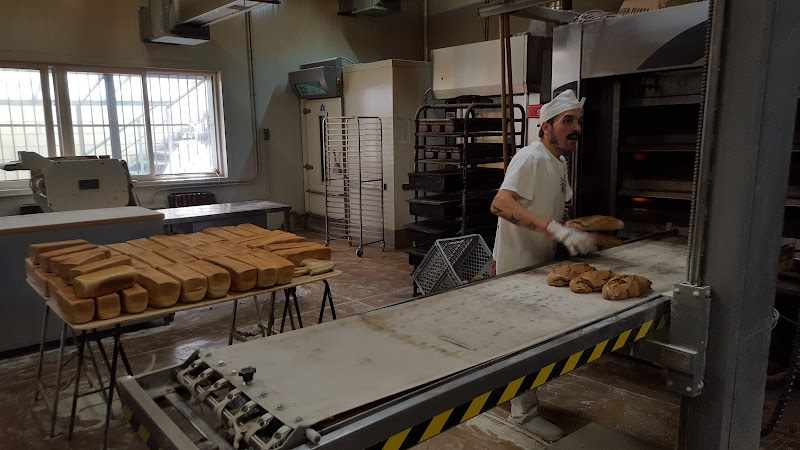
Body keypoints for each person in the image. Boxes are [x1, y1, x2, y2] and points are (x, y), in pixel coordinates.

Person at [489, 89, 596, 442]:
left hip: (539, 266)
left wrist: (569, 227)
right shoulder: (530, 158)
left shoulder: (559, 162)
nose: (575, 128)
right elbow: (501, 204)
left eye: (578, 121)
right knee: (522, 342)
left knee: (529, 341)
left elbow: (549, 210)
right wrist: (552, 228)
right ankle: (523, 415)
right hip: (515, 266)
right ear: (545, 126)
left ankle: (507, 395)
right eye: (567, 121)